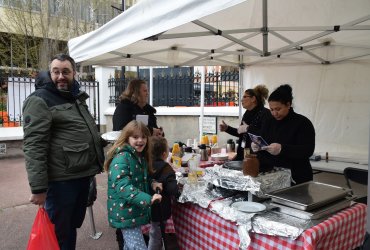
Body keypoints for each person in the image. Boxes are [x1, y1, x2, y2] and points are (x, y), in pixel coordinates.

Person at [22, 54, 105, 250]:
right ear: (50, 73)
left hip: (82, 175)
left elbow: (80, 132)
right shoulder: (40, 100)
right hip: (61, 182)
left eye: (65, 72)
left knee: (71, 227)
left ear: (74, 73)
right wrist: (38, 188)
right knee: (59, 232)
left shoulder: (75, 96)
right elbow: (34, 145)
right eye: (56, 71)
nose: (60, 76)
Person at [104, 120, 162, 250]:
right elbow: (123, 187)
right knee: (138, 247)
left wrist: (152, 183)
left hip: (131, 211)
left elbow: (141, 179)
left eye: (143, 137)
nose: (140, 140)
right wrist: (149, 199)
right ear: (127, 138)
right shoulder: (122, 157)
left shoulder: (138, 156)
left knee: (130, 246)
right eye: (135, 137)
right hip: (125, 212)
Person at [252, 84, 315, 185]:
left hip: (297, 177)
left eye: (278, 109)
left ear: (288, 105)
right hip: (271, 176)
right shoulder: (269, 121)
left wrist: (282, 149)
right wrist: (257, 145)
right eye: (272, 110)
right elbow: (263, 141)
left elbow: (308, 150)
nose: (274, 113)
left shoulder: (302, 123)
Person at [219, 85, 271, 160]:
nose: (241, 100)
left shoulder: (265, 113)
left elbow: (264, 136)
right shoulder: (247, 113)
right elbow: (241, 133)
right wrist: (227, 129)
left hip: (257, 157)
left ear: (253, 99)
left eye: (245, 97)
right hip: (242, 154)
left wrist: (248, 128)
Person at [148, 136, 180, 250]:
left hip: (147, 205)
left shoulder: (145, 165)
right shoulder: (166, 168)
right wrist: (178, 189)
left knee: (153, 231)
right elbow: (172, 189)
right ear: (164, 154)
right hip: (160, 208)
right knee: (156, 234)